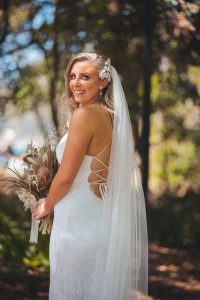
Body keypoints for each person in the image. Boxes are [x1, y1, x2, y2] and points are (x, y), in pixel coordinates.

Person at [32, 53, 148, 300]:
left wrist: (46, 204)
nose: (76, 83)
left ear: (103, 82)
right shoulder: (110, 118)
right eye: (72, 76)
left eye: (85, 77)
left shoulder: (84, 115)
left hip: (75, 228)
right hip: (99, 223)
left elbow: (66, 177)